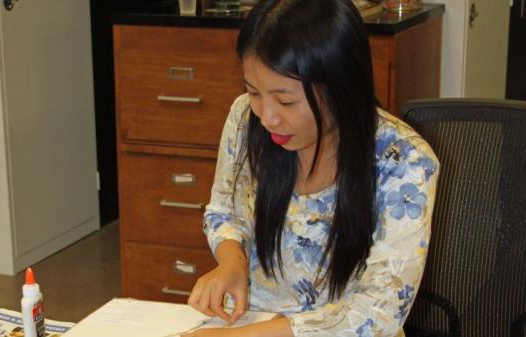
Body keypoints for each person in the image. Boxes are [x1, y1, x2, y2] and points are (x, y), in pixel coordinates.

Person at [185, 0, 440, 336]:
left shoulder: (404, 162)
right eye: (253, 91)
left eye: (286, 100)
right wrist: (233, 262)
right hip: (255, 323)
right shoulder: (247, 118)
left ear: (341, 86)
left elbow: (378, 312)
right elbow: (223, 212)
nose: (267, 116)